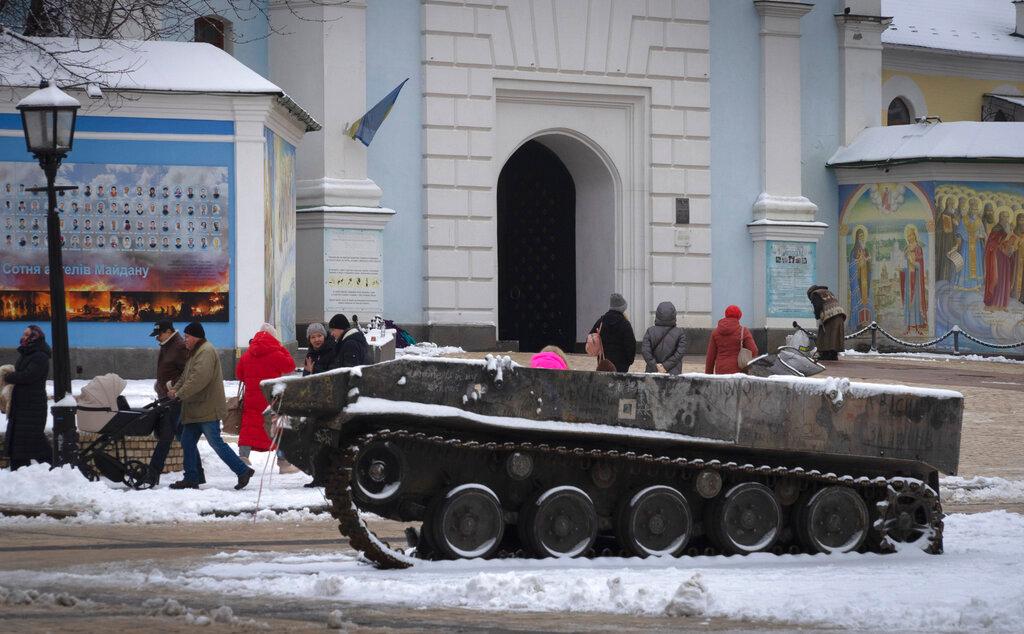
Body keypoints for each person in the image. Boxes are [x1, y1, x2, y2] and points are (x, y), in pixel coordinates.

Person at [168, 322, 254, 490]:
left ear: (195, 337)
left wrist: (179, 394)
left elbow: (198, 379)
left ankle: (242, 470)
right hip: (195, 408)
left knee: (216, 443)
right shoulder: (195, 352)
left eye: (187, 337)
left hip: (207, 408)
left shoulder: (206, 352)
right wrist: (175, 390)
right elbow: (186, 376)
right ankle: (192, 478)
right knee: (187, 441)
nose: (185, 340)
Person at [235, 323, 297, 471]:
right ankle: (283, 463)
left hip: (252, 399)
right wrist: (281, 347)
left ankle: (243, 459)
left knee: (248, 428)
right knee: (277, 428)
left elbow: (239, 374)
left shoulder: (248, 354)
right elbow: (290, 366)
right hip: (272, 399)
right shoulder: (276, 353)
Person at [2, 325, 51, 469]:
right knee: (19, 443)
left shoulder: (40, 356)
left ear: (34, 337)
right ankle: (19, 473)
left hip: (32, 406)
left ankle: (57, 470)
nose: (23, 337)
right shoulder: (28, 353)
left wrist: (8, 377)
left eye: (26, 334)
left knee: (33, 441)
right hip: (22, 405)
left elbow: (28, 376)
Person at [146, 320, 188, 485]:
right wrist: (160, 384)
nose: (157, 338)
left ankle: (152, 473)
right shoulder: (167, 345)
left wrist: (171, 385)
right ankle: (198, 472)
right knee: (184, 437)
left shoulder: (178, 346)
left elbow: (187, 372)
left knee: (166, 436)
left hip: (174, 399)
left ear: (169, 331)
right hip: (167, 397)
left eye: (159, 334)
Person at [589, 293, 636, 372]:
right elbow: (631, 345)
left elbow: (591, 337)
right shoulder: (625, 324)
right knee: (619, 383)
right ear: (622, 308)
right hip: (622, 364)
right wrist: (629, 361)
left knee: (604, 383)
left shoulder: (602, 321)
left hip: (604, 361)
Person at [704, 305, 758, 374]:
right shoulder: (743, 331)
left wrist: (708, 375)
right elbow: (754, 350)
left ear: (726, 315)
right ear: (739, 316)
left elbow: (710, 357)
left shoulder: (715, 332)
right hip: (739, 370)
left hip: (721, 370)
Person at [641, 301, 687, 375]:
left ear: (657, 314)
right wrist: (665, 366)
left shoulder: (650, 331)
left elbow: (645, 351)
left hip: (652, 371)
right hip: (673, 371)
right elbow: (680, 353)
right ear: (674, 315)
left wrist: (655, 365)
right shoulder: (680, 332)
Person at [806, 285, 846, 362]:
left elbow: (818, 306)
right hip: (839, 314)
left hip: (831, 316)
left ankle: (826, 355)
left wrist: (817, 316)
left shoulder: (815, 294)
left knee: (825, 335)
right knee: (834, 336)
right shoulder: (827, 292)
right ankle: (833, 355)